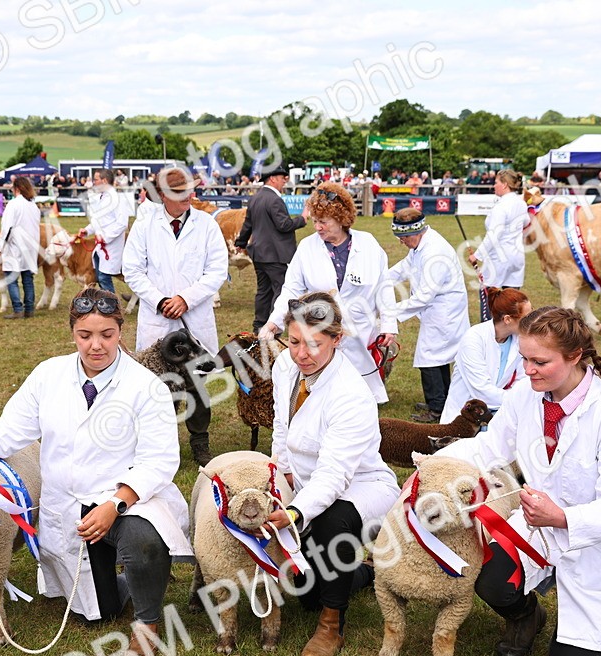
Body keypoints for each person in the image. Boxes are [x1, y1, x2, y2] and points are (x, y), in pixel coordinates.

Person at [435, 306, 601, 656]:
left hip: (593, 541)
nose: (528, 369)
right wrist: (432, 471)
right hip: (538, 523)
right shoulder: (525, 394)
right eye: (524, 359)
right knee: (491, 581)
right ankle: (526, 617)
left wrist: (564, 518)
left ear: (574, 357)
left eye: (540, 361)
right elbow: (489, 448)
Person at [0, 287, 192, 653]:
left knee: (143, 542)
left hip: (125, 499)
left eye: (107, 334)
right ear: (72, 332)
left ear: (121, 331)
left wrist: (115, 505)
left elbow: (160, 460)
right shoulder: (48, 375)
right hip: (68, 505)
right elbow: (9, 430)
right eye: (85, 335)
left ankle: (147, 619)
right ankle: (119, 583)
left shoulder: (146, 387)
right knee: (98, 613)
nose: (96, 346)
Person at [266, 292, 400, 656]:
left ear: (337, 340)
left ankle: (331, 624)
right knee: (306, 591)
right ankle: (361, 574)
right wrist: (279, 473)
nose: (301, 354)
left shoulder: (351, 395)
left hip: (362, 486)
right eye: (293, 342)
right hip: (307, 485)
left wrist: (295, 511)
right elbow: (281, 424)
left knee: (331, 523)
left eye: (314, 344)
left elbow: (335, 473)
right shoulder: (284, 368)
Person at [122, 167, 229, 466]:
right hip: (158, 320)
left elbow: (217, 270)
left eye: (191, 190)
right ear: (165, 195)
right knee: (158, 386)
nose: (190, 196)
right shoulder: (145, 225)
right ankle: (160, 446)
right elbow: (132, 269)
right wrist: (160, 301)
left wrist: (186, 299)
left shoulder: (207, 225)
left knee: (195, 383)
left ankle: (199, 442)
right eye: (182, 193)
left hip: (194, 318)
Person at [259, 182, 399, 403]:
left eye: (323, 222)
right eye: (314, 221)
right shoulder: (307, 247)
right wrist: (274, 322)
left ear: (342, 219)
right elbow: (291, 288)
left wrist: (389, 324)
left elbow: (384, 286)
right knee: (323, 393)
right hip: (321, 331)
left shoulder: (369, 244)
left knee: (360, 394)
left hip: (361, 331)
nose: (317, 227)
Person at [385, 207, 469, 422]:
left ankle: (437, 409)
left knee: (429, 358)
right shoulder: (420, 244)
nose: (401, 242)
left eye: (403, 237)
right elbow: (406, 266)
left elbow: (424, 297)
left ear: (414, 232)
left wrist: (390, 311)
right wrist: (382, 279)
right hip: (437, 310)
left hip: (444, 311)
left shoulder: (434, 252)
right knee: (438, 357)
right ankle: (442, 399)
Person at [439, 288, 532, 424]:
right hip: (465, 417)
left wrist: (521, 398)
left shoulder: (519, 340)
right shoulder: (474, 338)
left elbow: (523, 379)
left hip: (498, 412)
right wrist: (520, 400)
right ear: (507, 319)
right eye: (527, 317)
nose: (532, 321)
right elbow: (481, 391)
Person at [234, 165, 308, 331]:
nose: (284, 182)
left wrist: (241, 243)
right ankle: (274, 327)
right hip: (275, 254)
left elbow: (248, 224)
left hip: (259, 253)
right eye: (283, 178)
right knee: (280, 292)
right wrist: (302, 218)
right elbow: (284, 225)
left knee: (263, 291)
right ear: (273, 178)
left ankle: (259, 325)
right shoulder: (274, 199)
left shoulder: (255, 198)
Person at [468, 169, 527, 320]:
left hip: (499, 258)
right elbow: (527, 222)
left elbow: (494, 235)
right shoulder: (521, 203)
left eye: (496, 183)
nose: (494, 185)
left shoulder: (501, 206)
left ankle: (488, 331)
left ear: (505, 184)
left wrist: (477, 255)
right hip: (517, 257)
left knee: (489, 300)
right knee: (513, 304)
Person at [0, 176, 42, 319]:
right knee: (27, 279)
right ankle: (29, 309)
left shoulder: (13, 204)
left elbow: (7, 228)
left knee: (12, 279)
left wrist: (1, 246)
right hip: (30, 247)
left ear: (16, 188)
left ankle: (18, 309)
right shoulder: (33, 205)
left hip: (15, 247)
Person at [80, 168, 128, 294]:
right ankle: (107, 307)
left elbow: (122, 223)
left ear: (104, 180)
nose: (94, 182)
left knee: (104, 278)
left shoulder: (117, 199)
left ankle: (111, 309)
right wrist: (87, 230)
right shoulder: (102, 198)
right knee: (101, 277)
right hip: (101, 246)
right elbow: (99, 221)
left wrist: (105, 237)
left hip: (110, 245)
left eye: (96, 179)